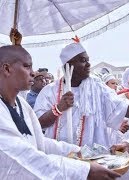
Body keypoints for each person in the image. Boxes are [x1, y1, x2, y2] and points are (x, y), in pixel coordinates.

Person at [0, 31, 120, 179]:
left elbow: (38, 142)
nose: (33, 73)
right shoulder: (48, 92)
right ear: (6, 69)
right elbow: (21, 157)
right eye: (27, 67)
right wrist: (84, 171)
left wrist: (79, 152)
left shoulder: (21, 104)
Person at [33, 42, 129, 148]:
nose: (88, 64)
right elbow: (38, 124)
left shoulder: (97, 87)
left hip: (92, 160)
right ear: (68, 65)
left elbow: (127, 109)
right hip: (60, 159)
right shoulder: (49, 91)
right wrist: (58, 108)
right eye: (83, 60)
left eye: (88, 60)